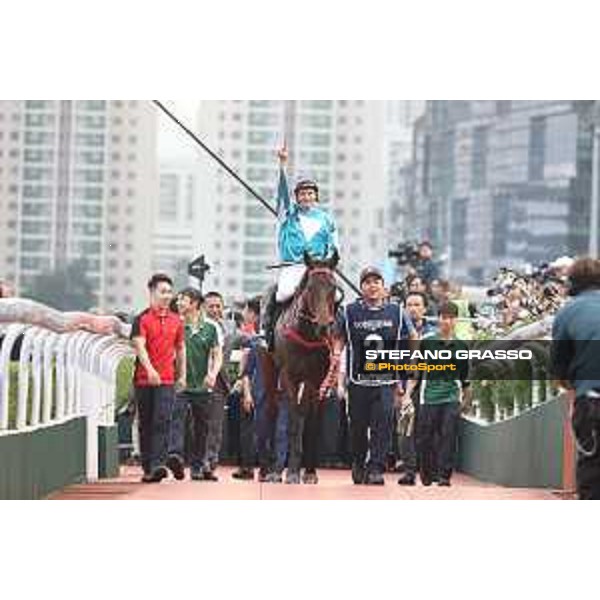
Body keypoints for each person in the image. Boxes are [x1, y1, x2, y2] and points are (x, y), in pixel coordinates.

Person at [333, 266, 417, 485]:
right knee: (358, 426)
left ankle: (376, 468)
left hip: (386, 381)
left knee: (383, 424)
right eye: (367, 282)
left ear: (383, 287)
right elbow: (338, 338)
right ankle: (359, 462)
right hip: (358, 381)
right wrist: (335, 357)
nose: (372, 286)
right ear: (361, 287)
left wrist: (407, 367)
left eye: (376, 281)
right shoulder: (348, 311)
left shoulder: (397, 311)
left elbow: (413, 337)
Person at [261, 147, 340, 349]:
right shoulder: (287, 214)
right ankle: (268, 334)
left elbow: (334, 246)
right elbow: (281, 193)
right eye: (302, 194)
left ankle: (337, 334)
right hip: (293, 267)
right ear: (296, 198)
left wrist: (328, 264)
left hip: (318, 269)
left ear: (316, 197)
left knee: (337, 295)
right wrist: (282, 165)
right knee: (281, 293)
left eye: (310, 193)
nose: (306, 197)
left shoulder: (326, 220)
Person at [551, 258, 600, 499]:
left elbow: (559, 370)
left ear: (573, 284)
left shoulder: (567, 312)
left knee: (591, 472)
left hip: (590, 401)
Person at [131, 273, 186, 483]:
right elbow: (139, 347)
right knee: (146, 423)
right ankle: (148, 467)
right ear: (152, 292)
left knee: (163, 420)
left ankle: (157, 465)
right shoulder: (141, 319)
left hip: (167, 380)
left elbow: (181, 349)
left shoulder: (176, 321)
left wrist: (182, 375)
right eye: (163, 291)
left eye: (169, 292)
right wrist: (150, 369)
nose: (167, 296)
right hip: (144, 380)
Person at [411, 302, 471, 487]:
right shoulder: (427, 342)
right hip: (428, 397)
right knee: (424, 438)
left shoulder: (462, 346)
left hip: (451, 398)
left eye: (451, 318)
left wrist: (467, 399)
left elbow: (465, 378)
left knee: (448, 437)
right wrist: (406, 395)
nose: (447, 321)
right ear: (438, 319)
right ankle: (427, 474)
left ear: (456, 320)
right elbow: (416, 372)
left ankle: (445, 476)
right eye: (444, 317)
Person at [176, 288, 223, 481]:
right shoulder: (175, 324)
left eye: (182, 300)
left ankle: (197, 466)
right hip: (180, 385)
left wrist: (212, 374)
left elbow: (217, 354)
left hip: (203, 387)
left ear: (194, 303)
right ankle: (175, 457)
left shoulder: (212, 327)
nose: (178, 303)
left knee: (202, 429)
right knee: (177, 422)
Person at [396, 291, 436, 485]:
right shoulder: (397, 332)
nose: (413, 308)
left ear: (425, 308)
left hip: (429, 387)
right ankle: (409, 471)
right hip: (404, 386)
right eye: (409, 305)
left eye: (417, 304)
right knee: (406, 429)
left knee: (427, 430)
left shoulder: (434, 333)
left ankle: (429, 472)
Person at [203, 290, 236, 478]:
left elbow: (247, 339)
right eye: (211, 306)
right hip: (198, 382)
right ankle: (199, 463)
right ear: (203, 308)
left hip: (219, 383)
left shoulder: (229, 329)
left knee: (216, 425)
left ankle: (210, 462)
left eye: (218, 306)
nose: (215, 310)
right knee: (198, 426)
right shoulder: (195, 327)